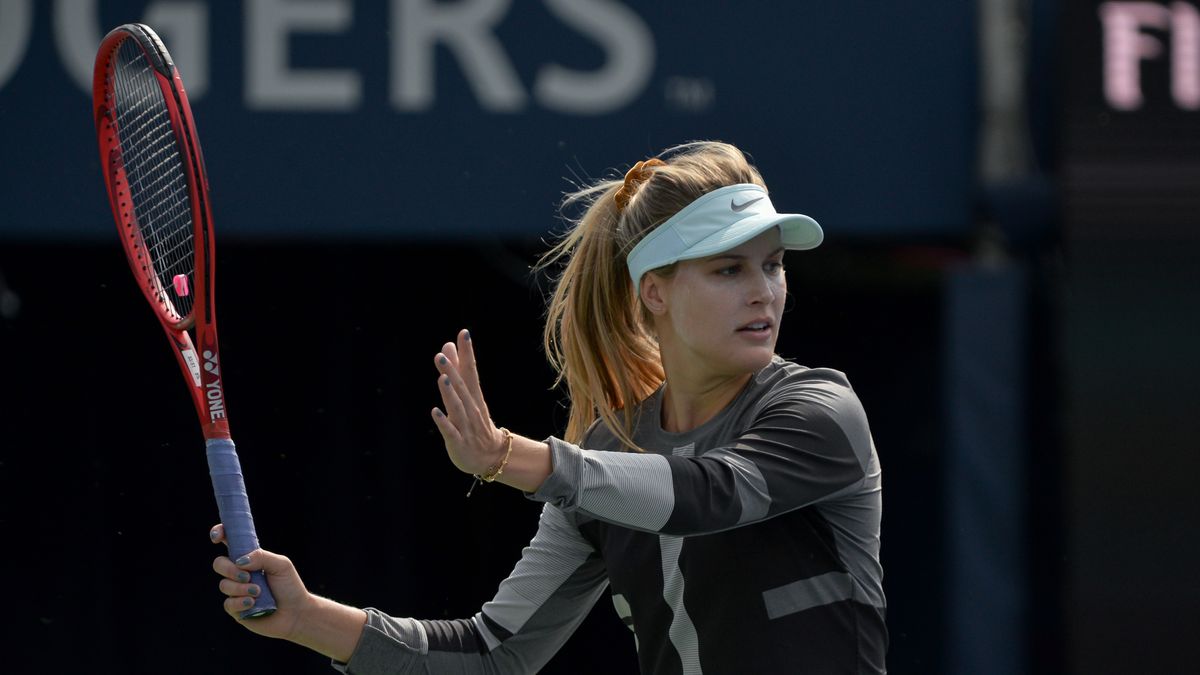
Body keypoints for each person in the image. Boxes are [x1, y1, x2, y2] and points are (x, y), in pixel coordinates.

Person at [209, 141, 887, 673]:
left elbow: (705, 495)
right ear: (654, 292)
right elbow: (492, 653)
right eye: (728, 269)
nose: (764, 291)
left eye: (773, 264)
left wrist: (508, 456)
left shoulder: (822, 413)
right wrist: (305, 617)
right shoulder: (607, 459)